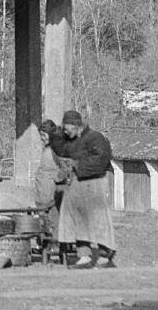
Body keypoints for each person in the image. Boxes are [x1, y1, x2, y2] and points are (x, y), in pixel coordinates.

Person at [53, 109, 117, 268]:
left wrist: (78, 164)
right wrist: (55, 133)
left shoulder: (95, 137)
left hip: (94, 183)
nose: (65, 132)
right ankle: (84, 257)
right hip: (77, 184)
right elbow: (60, 148)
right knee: (76, 219)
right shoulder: (71, 140)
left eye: (66, 128)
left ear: (75, 125)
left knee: (98, 219)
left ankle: (104, 256)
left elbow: (102, 159)